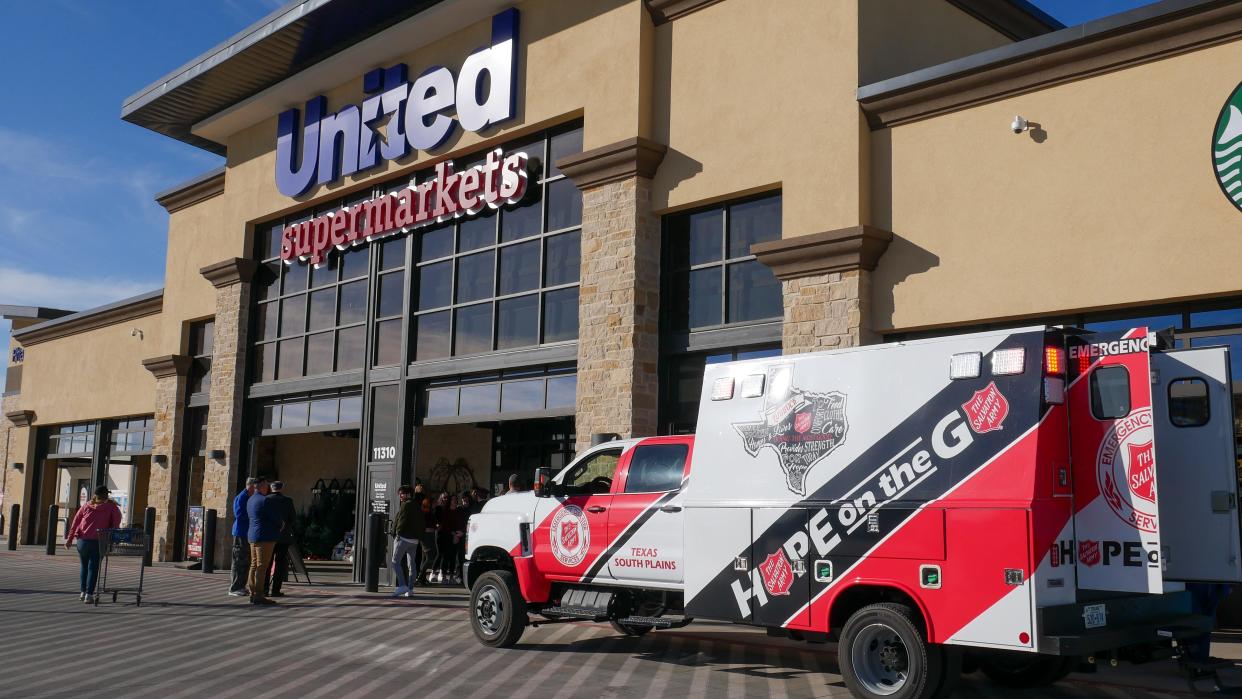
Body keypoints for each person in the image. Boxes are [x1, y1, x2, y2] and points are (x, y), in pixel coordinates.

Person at [64, 486, 122, 604]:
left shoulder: (86, 505)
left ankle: (82, 592)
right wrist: (114, 539)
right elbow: (116, 523)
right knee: (93, 568)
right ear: (106, 496)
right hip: (99, 541)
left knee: (84, 566)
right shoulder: (112, 507)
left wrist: (69, 539)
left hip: (82, 541)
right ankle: (89, 595)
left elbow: (75, 522)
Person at [245, 478, 282, 605]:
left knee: (254, 565)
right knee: (262, 566)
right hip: (265, 537)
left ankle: (252, 592)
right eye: (266, 486)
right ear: (261, 486)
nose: (267, 488)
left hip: (252, 536)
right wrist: (281, 525)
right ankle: (259, 595)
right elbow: (275, 519)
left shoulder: (250, 499)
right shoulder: (265, 500)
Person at [389, 485, 424, 597]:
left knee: (395, 562)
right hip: (414, 540)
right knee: (411, 564)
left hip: (403, 538)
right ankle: (410, 589)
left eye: (402, 493)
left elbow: (402, 521)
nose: (400, 496)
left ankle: (402, 586)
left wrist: (397, 533)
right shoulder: (417, 505)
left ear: (408, 494)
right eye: (400, 493)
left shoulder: (406, 505)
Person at [265, 481, 296, 598]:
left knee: (267, 563)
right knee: (280, 563)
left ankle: (264, 589)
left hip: (268, 536)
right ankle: (276, 590)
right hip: (283, 537)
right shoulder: (288, 501)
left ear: (271, 488)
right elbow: (293, 518)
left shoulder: (266, 499)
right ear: (282, 488)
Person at [228, 477, 258, 597]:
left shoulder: (248, 496)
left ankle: (241, 585)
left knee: (245, 561)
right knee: (239, 560)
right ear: (250, 486)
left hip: (246, 533)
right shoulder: (242, 497)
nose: (256, 489)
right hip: (241, 533)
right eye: (255, 487)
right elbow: (239, 514)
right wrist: (253, 516)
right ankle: (234, 587)